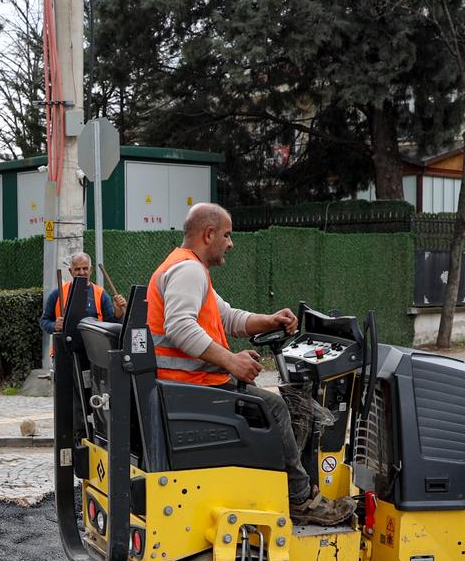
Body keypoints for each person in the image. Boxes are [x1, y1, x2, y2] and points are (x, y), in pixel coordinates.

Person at [147, 203, 353, 526]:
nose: (230, 243)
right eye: (227, 235)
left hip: (188, 387)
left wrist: (269, 320)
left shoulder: (186, 267)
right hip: (191, 390)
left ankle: (282, 488)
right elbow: (180, 327)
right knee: (275, 407)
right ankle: (300, 498)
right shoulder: (188, 271)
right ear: (209, 234)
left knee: (263, 400)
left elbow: (228, 318)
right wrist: (231, 362)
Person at [41, 253, 126, 350]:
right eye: (77, 269)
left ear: (91, 270)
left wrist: (118, 314)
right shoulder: (57, 293)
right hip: (64, 350)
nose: (81, 272)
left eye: (85, 268)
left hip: (94, 350)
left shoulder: (100, 294)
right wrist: (54, 326)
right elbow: (44, 321)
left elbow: (111, 325)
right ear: (71, 271)